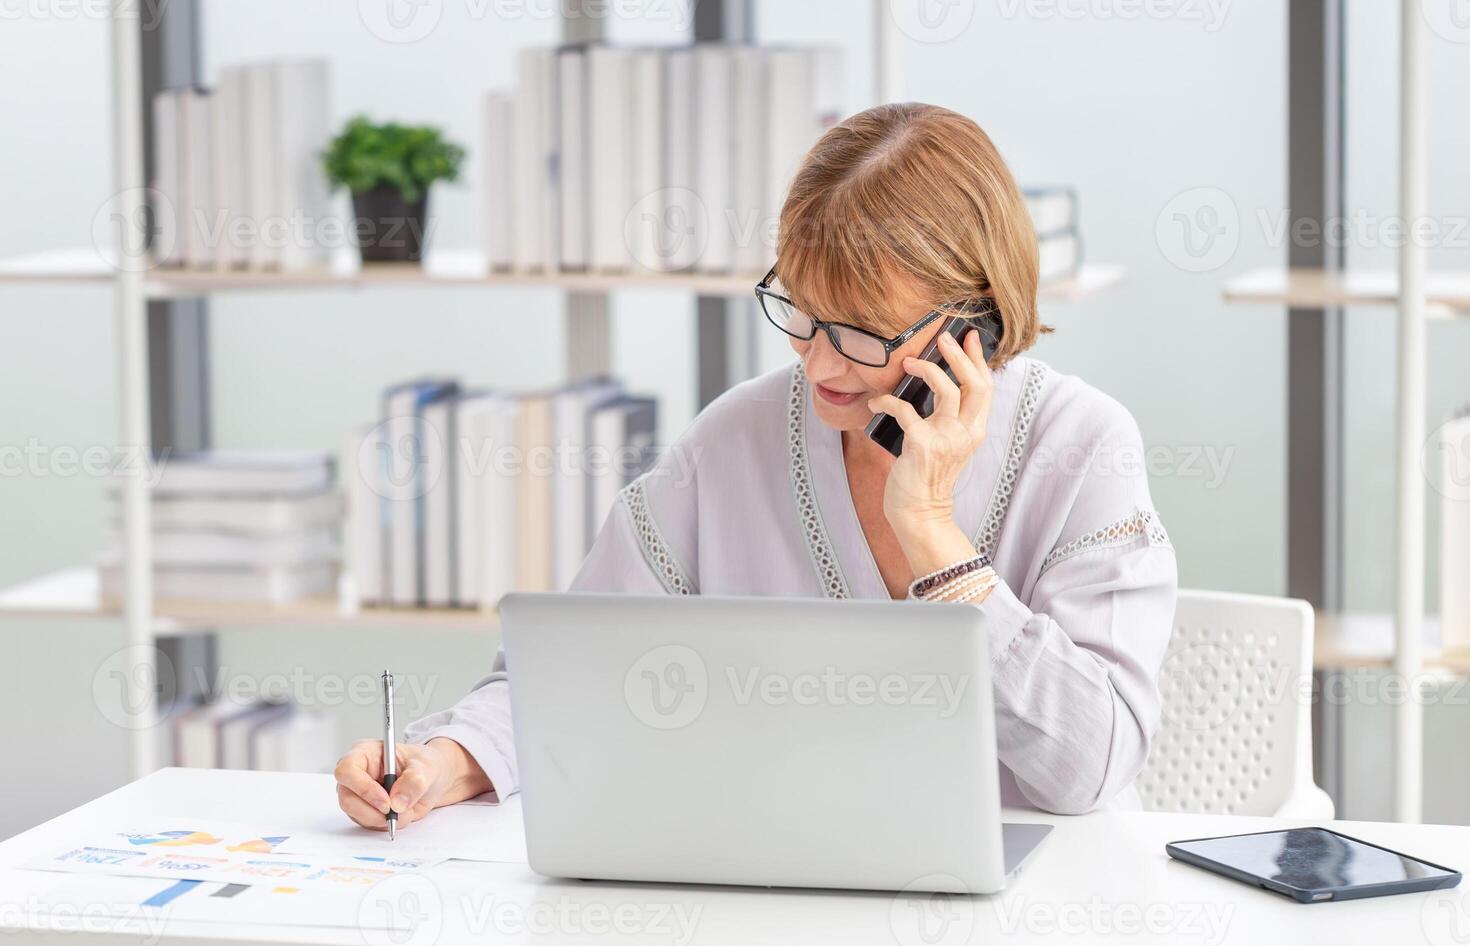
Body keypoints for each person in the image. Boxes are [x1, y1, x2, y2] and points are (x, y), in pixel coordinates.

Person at [333, 102, 1178, 829]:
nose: (820, 365)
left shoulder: (1082, 447)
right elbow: (574, 667)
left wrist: (935, 543)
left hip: (1034, 926)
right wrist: (447, 761)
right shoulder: (735, 437)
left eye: (860, 332)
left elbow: (1091, 765)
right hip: (784, 900)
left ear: (975, 324)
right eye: (801, 314)